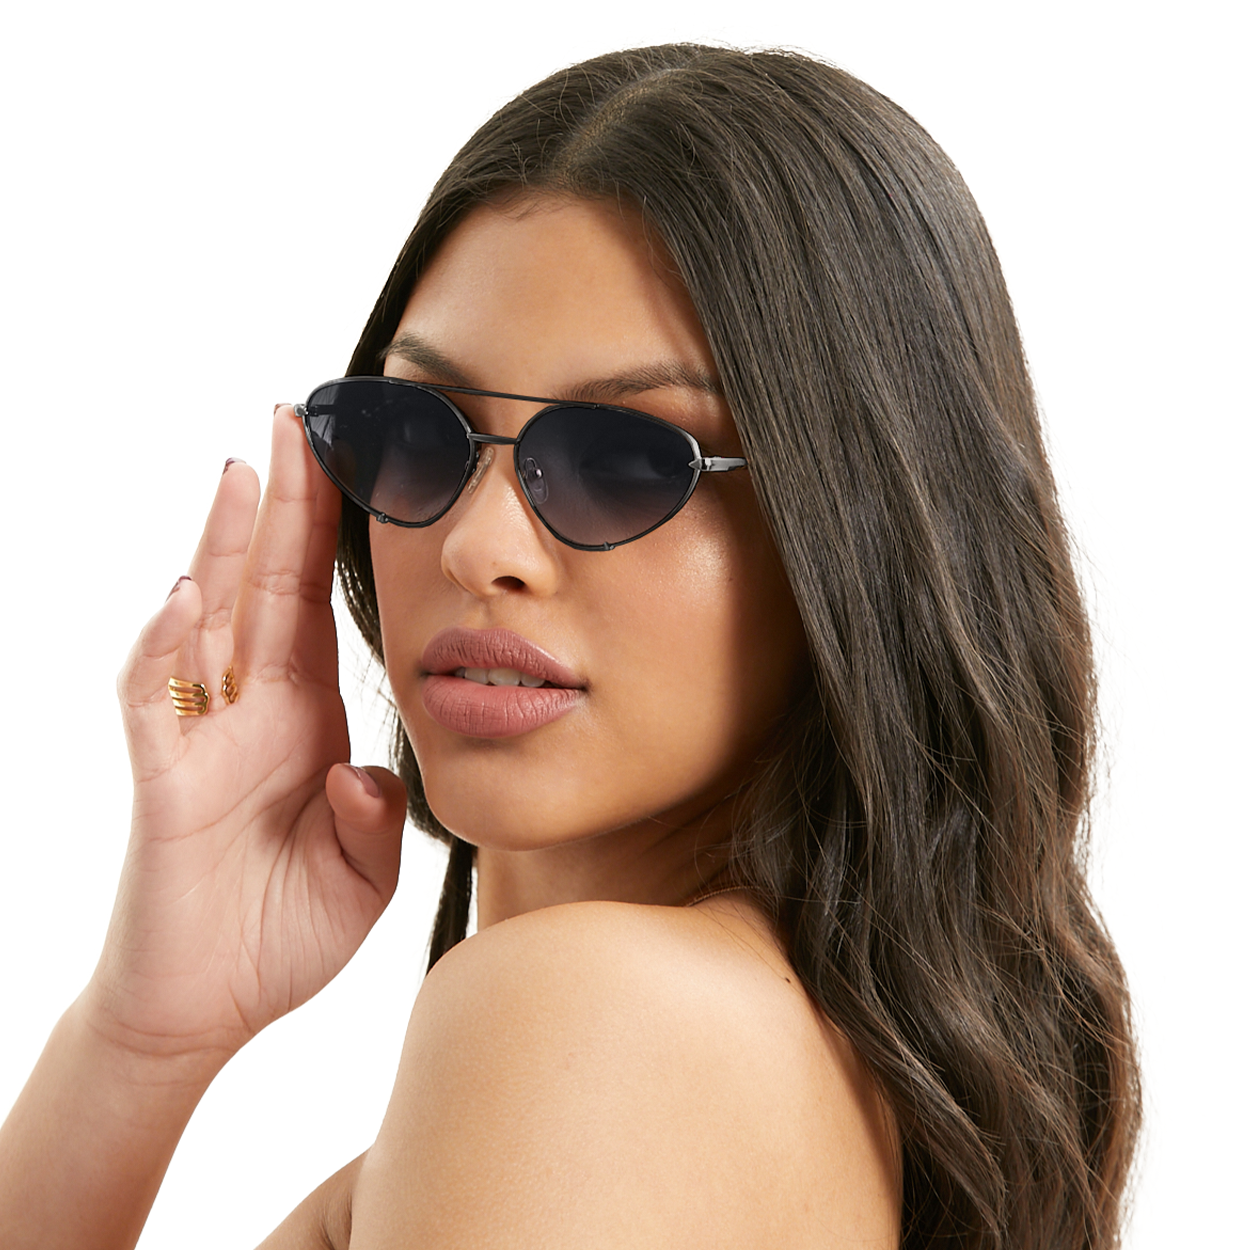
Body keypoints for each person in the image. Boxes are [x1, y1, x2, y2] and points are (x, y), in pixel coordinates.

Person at [0, 43, 1140, 1250]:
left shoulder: (581, 1025)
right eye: (421, 431)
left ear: (857, 531)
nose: (476, 544)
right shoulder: (716, 1071)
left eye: (621, 459)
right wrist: (146, 1027)